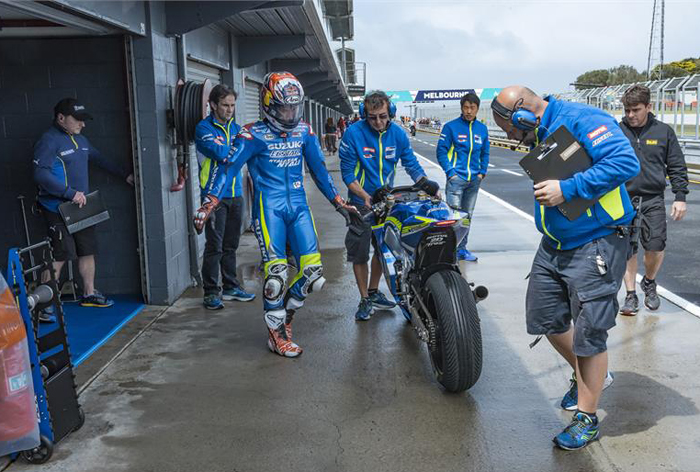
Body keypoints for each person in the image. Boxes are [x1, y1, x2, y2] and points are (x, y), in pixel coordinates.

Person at [492, 86, 639, 450]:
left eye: (511, 130)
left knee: (590, 333)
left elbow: (625, 163)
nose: (512, 138)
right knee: (544, 318)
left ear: (525, 111)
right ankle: (588, 375)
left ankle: (586, 419)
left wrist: (567, 189)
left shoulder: (581, 118)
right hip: (555, 244)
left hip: (596, 242)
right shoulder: (541, 133)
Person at [193, 71, 357, 358]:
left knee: (313, 275)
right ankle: (276, 333)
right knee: (276, 276)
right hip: (268, 208)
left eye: (294, 107)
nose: (290, 113)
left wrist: (339, 202)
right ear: (269, 104)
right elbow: (227, 168)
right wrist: (209, 202)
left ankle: (285, 317)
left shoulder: (304, 131)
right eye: (284, 107)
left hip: (299, 206)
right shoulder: (251, 134)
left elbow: (319, 170)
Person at [33, 98, 134, 308]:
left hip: (81, 205)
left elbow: (100, 160)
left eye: (83, 120)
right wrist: (69, 193)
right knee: (59, 254)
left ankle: (89, 293)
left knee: (88, 250)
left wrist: (126, 175)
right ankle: (44, 305)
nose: (82, 124)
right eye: (77, 119)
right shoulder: (49, 141)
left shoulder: (81, 140)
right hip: (56, 207)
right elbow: (40, 174)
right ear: (61, 118)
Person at [339, 90, 429, 321]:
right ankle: (364, 299)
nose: (378, 122)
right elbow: (348, 174)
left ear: (390, 113)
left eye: (382, 116)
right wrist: (364, 196)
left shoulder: (398, 134)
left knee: (382, 249)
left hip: (386, 200)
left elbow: (411, 163)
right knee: (359, 253)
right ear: (364, 115)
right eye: (372, 117)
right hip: (361, 202)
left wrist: (426, 184)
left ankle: (373, 291)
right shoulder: (353, 134)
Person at [618, 85, 689, 315]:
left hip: (653, 199)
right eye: (627, 110)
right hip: (623, 199)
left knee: (656, 246)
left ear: (649, 107)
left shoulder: (664, 132)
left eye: (636, 110)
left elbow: (677, 166)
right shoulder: (617, 131)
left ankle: (649, 282)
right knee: (627, 248)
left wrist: (680, 197)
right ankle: (630, 295)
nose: (630, 115)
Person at [194, 84, 256, 310]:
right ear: (212, 105)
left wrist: (235, 149)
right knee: (215, 246)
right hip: (214, 197)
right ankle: (211, 292)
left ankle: (230, 287)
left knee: (231, 245)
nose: (229, 110)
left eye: (232, 105)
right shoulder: (203, 129)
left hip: (236, 194)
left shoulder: (238, 129)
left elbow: (245, 153)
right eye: (225, 105)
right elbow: (223, 155)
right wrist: (236, 149)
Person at [436, 92, 490, 261]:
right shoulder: (450, 127)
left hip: (474, 180)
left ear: (477, 109)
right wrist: (450, 173)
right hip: (456, 180)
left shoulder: (482, 129)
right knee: (453, 217)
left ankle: (461, 249)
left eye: (472, 108)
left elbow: (485, 152)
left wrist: (482, 172)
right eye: (465, 107)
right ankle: (449, 252)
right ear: (461, 108)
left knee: (467, 216)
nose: (468, 111)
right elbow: (441, 151)